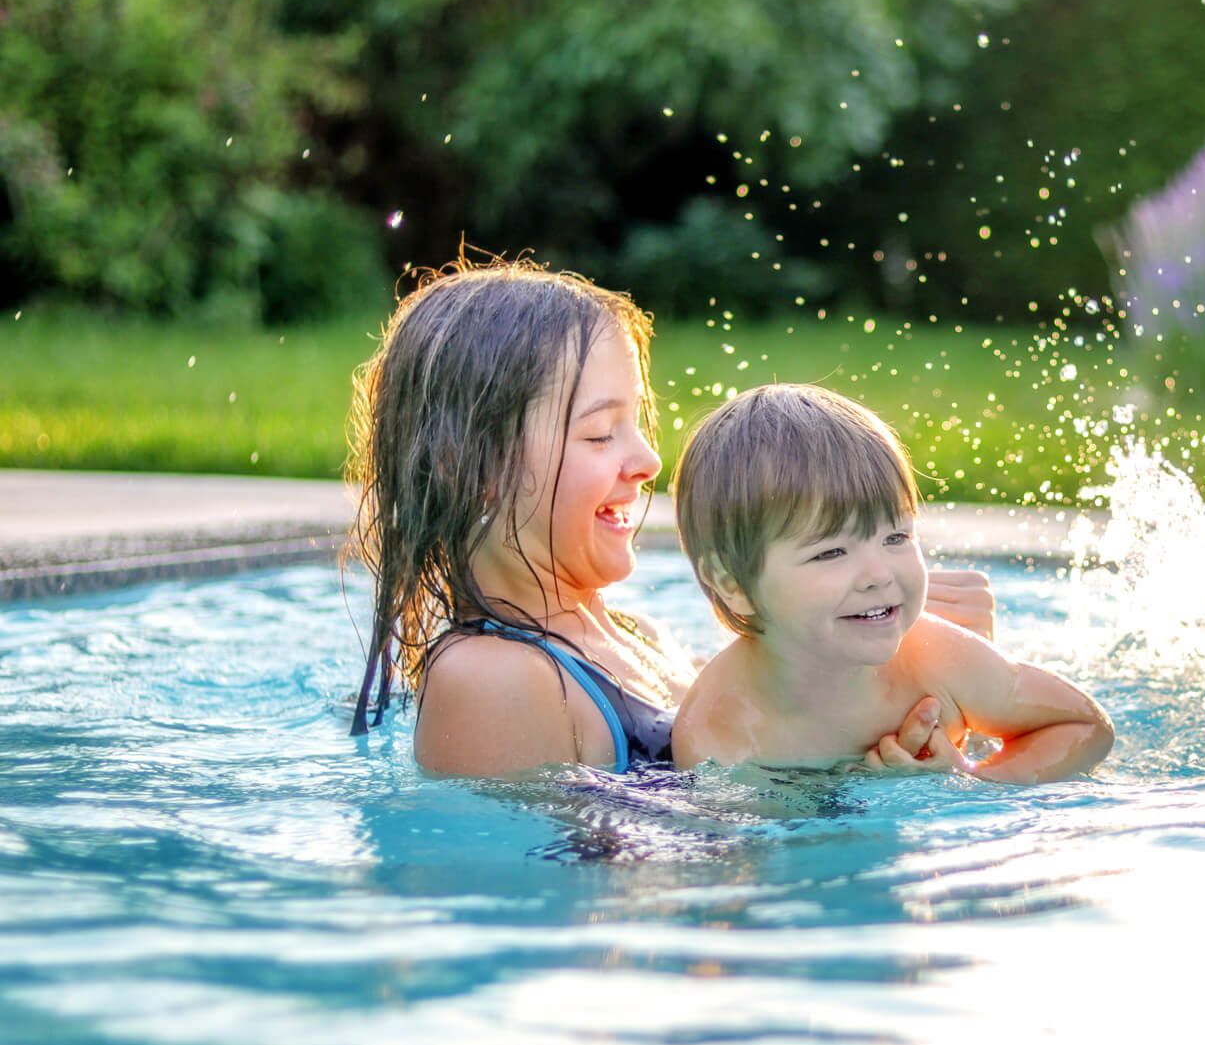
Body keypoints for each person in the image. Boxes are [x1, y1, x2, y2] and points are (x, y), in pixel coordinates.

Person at [346, 257, 992, 778]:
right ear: (472, 468)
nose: (649, 459)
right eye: (601, 434)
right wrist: (848, 788)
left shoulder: (639, 634)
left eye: (636, 423)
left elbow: (748, 768)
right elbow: (580, 900)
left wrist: (903, 675)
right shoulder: (488, 681)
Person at [669, 384, 1114, 784]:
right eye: (830, 552)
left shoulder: (936, 662)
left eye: (897, 537)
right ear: (732, 584)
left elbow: (1086, 726)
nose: (880, 574)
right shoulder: (718, 732)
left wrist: (974, 778)